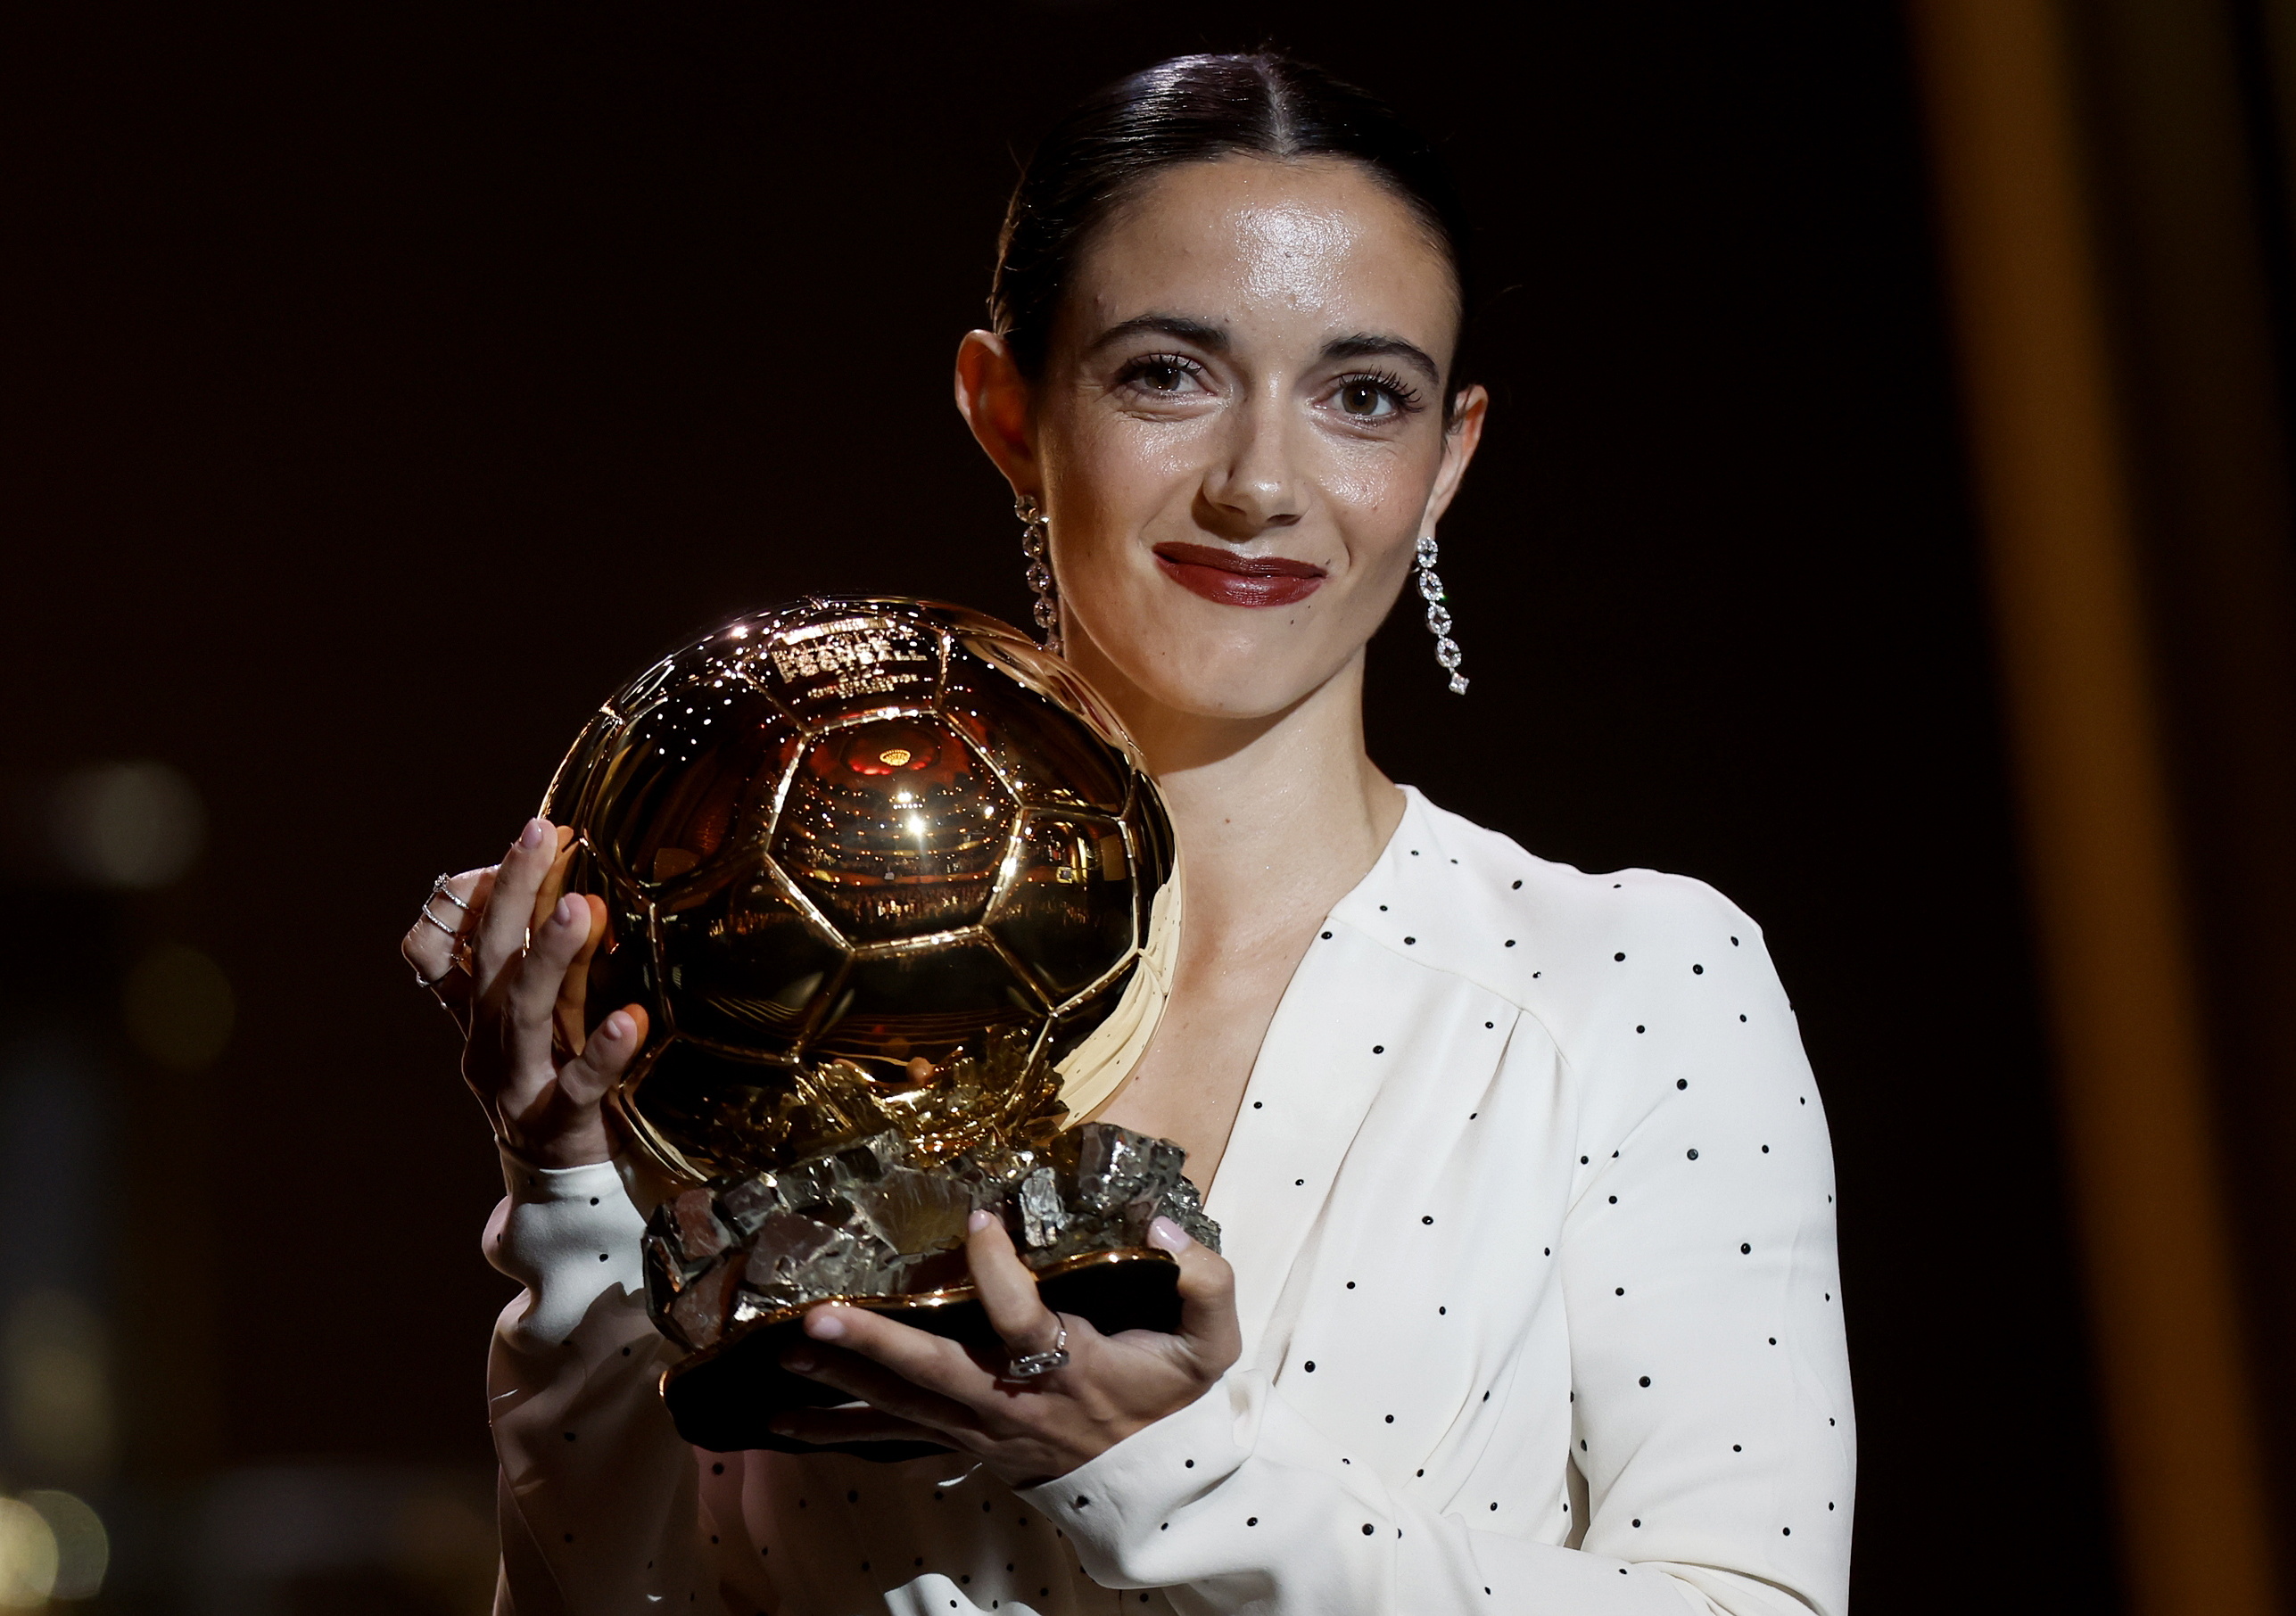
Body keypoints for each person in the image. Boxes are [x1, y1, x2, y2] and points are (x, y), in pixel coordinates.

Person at [404, 52, 1854, 1616]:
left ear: (1449, 459)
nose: (1259, 484)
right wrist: (569, 1192)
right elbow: (606, 1593)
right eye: (1169, 373)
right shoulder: (758, 979)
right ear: (1005, 409)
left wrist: (1166, 1474)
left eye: (1362, 396)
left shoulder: (1626, 984)